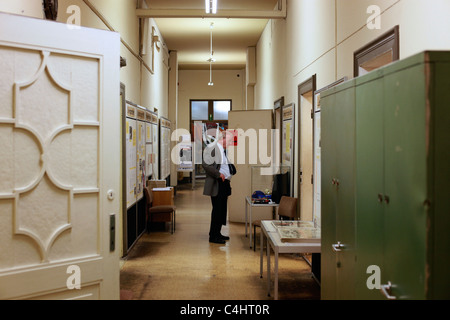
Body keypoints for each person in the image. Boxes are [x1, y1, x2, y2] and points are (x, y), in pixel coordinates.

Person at [202, 131, 237, 244]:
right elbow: (206, 164)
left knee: (222, 210)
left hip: (224, 183)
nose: (231, 143)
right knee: (217, 210)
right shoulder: (212, 148)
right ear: (223, 138)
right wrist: (219, 174)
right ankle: (213, 236)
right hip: (217, 183)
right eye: (230, 140)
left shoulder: (222, 149)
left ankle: (218, 232)